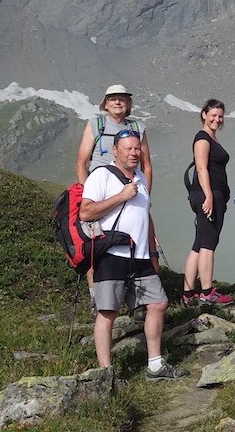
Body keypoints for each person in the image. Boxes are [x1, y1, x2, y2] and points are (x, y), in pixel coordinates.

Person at [80, 131, 188, 381]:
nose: (134, 153)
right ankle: (106, 373)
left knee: (158, 304)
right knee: (108, 312)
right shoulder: (101, 175)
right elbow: (86, 212)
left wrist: (152, 253)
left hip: (140, 257)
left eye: (137, 149)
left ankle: (155, 365)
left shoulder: (140, 177)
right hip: (112, 254)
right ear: (115, 150)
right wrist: (121, 196)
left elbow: (144, 216)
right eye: (128, 149)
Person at [74, 85, 157, 316]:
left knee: (138, 240)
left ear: (128, 104)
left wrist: (145, 195)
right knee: (97, 244)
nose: (117, 102)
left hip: (132, 191)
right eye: (112, 99)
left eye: (122, 99)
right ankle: (97, 297)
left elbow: (146, 165)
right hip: (101, 191)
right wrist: (88, 195)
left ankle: (137, 298)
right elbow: (81, 162)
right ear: (106, 103)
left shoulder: (138, 128)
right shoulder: (95, 125)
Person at [182, 99, 234, 306]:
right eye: (213, 115)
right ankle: (207, 293)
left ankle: (188, 294)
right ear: (204, 114)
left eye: (220, 116)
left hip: (208, 193)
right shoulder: (203, 138)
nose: (217, 119)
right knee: (209, 243)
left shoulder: (211, 137)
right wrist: (209, 196)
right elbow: (201, 168)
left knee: (199, 243)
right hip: (208, 193)